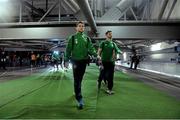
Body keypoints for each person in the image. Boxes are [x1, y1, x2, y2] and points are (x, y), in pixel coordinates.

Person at [64, 21, 97, 109]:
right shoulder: (73, 37)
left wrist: (96, 55)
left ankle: (76, 90)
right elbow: (68, 49)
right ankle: (79, 99)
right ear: (76, 28)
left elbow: (91, 49)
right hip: (75, 61)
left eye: (83, 26)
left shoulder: (87, 38)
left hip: (83, 61)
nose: (81, 27)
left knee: (80, 78)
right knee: (77, 79)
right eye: (80, 26)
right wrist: (66, 60)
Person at [97, 30, 122, 95]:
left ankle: (109, 89)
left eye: (111, 34)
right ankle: (99, 81)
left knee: (111, 76)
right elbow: (99, 51)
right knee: (102, 74)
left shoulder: (113, 44)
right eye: (109, 34)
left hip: (111, 62)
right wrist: (99, 58)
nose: (111, 35)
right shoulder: (103, 43)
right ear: (106, 35)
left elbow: (117, 49)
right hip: (103, 62)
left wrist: (120, 52)